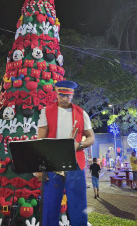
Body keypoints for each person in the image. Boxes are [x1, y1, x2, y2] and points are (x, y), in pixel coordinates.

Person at [38, 80, 95, 226]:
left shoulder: (82, 113)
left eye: (67, 95)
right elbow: (40, 140)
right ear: (56, 93)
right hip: (52, 163)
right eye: (61, 95)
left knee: (78, 205)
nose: (64, 98)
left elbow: (91, 138)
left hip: (75, 163)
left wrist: (79, 145)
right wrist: (39, 167)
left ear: (72, 95)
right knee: (50, 205)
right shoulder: (46, 111)